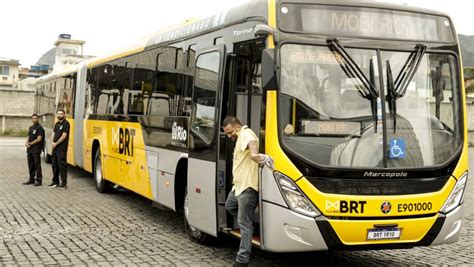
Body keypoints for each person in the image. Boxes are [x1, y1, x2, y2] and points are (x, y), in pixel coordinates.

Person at [222, 116, 264, 266]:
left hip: (247, 188)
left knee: (244, 224)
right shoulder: (239, 136)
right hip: (238, 187)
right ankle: (252, 227)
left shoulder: (246, 133)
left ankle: (242, 260)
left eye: (230, 132)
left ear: (237, 127)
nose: (228, 136)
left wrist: (253, 154)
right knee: (229, 206)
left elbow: (252, 143)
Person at [48, 109, 70, 189]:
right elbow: (53, 134)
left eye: (61, 114)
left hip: (61, 149)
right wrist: (52, 143)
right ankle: (55, 182)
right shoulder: (56, 124)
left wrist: (56, 143)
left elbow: (64, 136)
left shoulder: (66, 124)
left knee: (62, 166)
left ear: (64, 115)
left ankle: (63, 184)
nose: (60, 115)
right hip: (55, 148)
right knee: (54, 165)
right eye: (58, 114)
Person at [23, 114, 45, 186]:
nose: (34, 120)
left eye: (36, 118)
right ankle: (31, 179)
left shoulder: (40, 128)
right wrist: (26, 142)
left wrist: (31, 143)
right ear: (31, 119)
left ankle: (39, 180)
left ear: (38, 119)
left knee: (37, 165)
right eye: (33, 118)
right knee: (31, 165)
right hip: (29, 149)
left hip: (36, 149)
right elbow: (29, 136)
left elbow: (39, 139)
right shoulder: (31, 127)